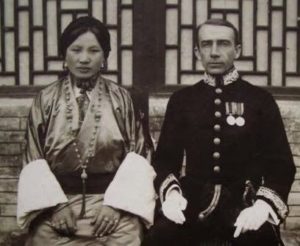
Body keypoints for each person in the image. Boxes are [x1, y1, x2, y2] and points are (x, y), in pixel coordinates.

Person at [142, 19, 296, 246]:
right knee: (159, 238)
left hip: (244, 203)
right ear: (197, 52)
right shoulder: (182, 100)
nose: (214, 52)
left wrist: (262, 207)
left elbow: (281, 166)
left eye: (223, 44)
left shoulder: (259, 100)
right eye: (206, 44)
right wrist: (172, 195)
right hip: (192, 202)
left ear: (238, 50)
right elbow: (165, 160)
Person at [17, 16, 155, 246]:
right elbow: (33, 157)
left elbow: (139, 155)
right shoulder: (46, 99)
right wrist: (56, 206)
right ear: (64, 55)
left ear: (104, 57)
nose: (84, 59)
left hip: (111, 205)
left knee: (128, 237)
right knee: (42, 238)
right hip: (58, 205)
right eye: (76, 50)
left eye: (93, 51)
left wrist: (115, 205)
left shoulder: (122, 99)